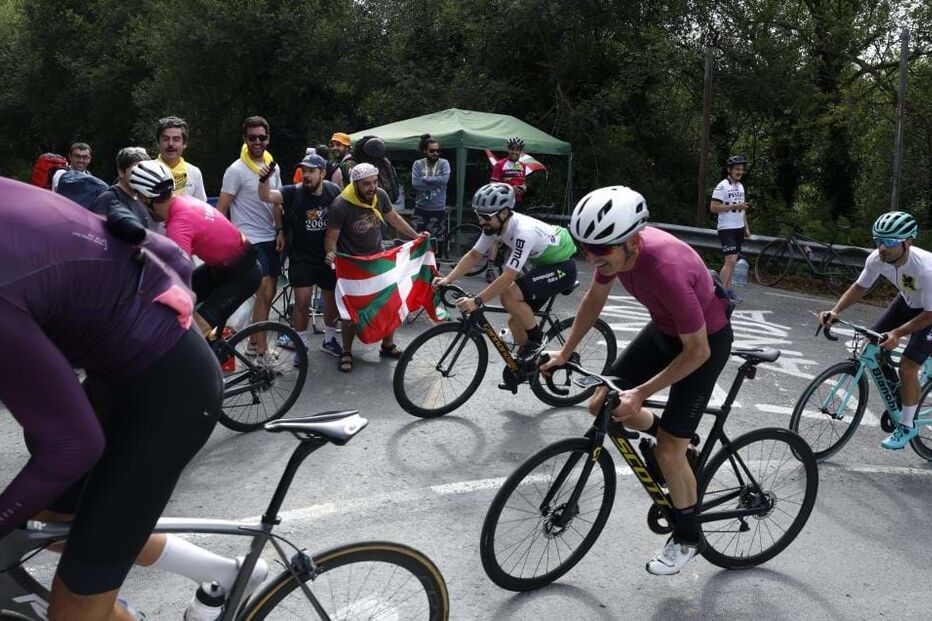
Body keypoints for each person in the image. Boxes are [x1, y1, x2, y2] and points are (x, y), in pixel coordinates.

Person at [0, 176, 223, 619]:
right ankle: (220, 573)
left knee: (73, 611)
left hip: (171, 394)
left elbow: (72, 446)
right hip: (122, 366)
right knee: (49, 522)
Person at [541, 185, 733, 575]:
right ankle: (681, 444)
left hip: (704, 343)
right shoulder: (614, 254)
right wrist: (564, 351)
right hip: (664, 331)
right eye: (585, 248)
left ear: (631, 241)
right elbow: (593, 300)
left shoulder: (666, 268)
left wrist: (641, 393)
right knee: (601, 403)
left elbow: (697, 352)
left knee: (667, 452)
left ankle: (688, 537)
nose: (591, 257)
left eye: (600, 250)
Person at [820, 211, 932, 449]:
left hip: (930, 312)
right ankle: (898, 391)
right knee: (871, 342)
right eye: (878, 240)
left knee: (908, 366)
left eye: (889, 242)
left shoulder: (925, 269)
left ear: (908, 242)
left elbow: (929, 315)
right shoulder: (877, 259)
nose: (882, 248)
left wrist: (897, 334)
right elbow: (860, 287)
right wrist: (835, 311)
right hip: (909, 299)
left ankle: (907, 425)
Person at [434, 183, 577, 356]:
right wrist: (448, 279)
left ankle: (537, 343)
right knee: (515, 323)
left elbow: (508, 276)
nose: (481, 221)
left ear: (504, 213)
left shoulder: (524, 232)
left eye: (485, 216)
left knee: (509, 294)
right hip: (543, 265)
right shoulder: (494, 226)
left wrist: (477, 301)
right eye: (478, 215)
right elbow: (474, 255)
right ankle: (528, 361)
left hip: (562, 266)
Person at [129, 160, 262, 339]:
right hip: (223, 268)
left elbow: (176, 276)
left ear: (145, 198)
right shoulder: (184, 201)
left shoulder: (178, 226)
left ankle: (201, 354)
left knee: (192, 332)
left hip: (243, 276)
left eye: (139, 199)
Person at [324, 163, 423, 373]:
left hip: (378, 260)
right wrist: (331, 254)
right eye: (366, 184)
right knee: (351, 311)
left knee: (390, 302)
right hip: (353, 265)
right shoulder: (341, 204)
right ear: (355, 184)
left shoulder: (380, 195)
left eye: (375, 182)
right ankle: (346, 351)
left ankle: (387, 345)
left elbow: (394, 218)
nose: (372, 187)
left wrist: (416, 236)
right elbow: (331, 238)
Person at [258, 153, 343, 358]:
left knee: (331, 301)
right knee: (302, 303)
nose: (306, 175)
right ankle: (301, 344)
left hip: (327, 256)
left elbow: (345, 215)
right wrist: (263, 180)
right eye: (304, 171)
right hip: (301, 257)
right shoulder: (293, 192)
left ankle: (330, 339)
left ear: (322, 173)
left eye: (311, 171)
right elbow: (266, 197)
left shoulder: (334, 191)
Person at [216, 116, 284, 340]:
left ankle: (255, 342)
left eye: (262, 138)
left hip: (270, 236)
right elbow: (221, 208)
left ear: (268, 139)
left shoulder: (273, 166)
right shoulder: (236, 170)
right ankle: (262, 350)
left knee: (269, 293)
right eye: (252, 137)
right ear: (245, 139)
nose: (257, 142)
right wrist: (222, 241)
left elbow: (276, 201)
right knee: (263, 289)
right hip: (248, 239)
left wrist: (280, 230)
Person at [486, 137, 530, 283]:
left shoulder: (522, 166)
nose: (514, 152)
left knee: (514, 236)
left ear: (520, 151)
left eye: (517, 150)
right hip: (502, 204)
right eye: (512, 149)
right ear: (508, 149)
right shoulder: (500, 165)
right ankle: (490, 269)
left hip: (517, 203)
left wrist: (523, 188)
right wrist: (511, 188)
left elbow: (522, 182)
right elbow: (493, 185)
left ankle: (508, 269)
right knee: (496, 236)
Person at [90, 146, 160, 231]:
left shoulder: (140, 198)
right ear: (121, 172)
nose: (141, 176)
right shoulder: (108, 198)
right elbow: (96, 232)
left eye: (144, 171)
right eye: (135, 171)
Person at [710, 155, 750, 301]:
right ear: (729, 170)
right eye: (737, 169)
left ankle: (728, 289)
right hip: (726, 228)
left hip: (739, 227)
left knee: (734, 260)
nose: (740, 172)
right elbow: (713, 207)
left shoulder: (740, 186)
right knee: (731, 260)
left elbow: (742, 209)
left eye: (741, 169)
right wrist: (734, 206)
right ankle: (719, 293)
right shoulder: (722, 186)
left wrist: (746, 227)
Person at [411, 133, 451, 252]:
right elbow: (415, 183)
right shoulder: (418, 164)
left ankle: (436, 264)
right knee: (417, 242)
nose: (435, 153)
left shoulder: (444, 163)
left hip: (438, 209)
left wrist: (425, 179)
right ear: (425, 150)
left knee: (437, 243)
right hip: (420, 208)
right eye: (432, 151)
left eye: (438, 151)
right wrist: (436, 181)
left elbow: (444, 180)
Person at [155, 116, 208, 200]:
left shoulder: (194, 172)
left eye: (176, 139)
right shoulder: (147, 170)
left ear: (184, 144)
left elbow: (201, 206)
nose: (170, 144)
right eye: (165, 139)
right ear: (158, 143)